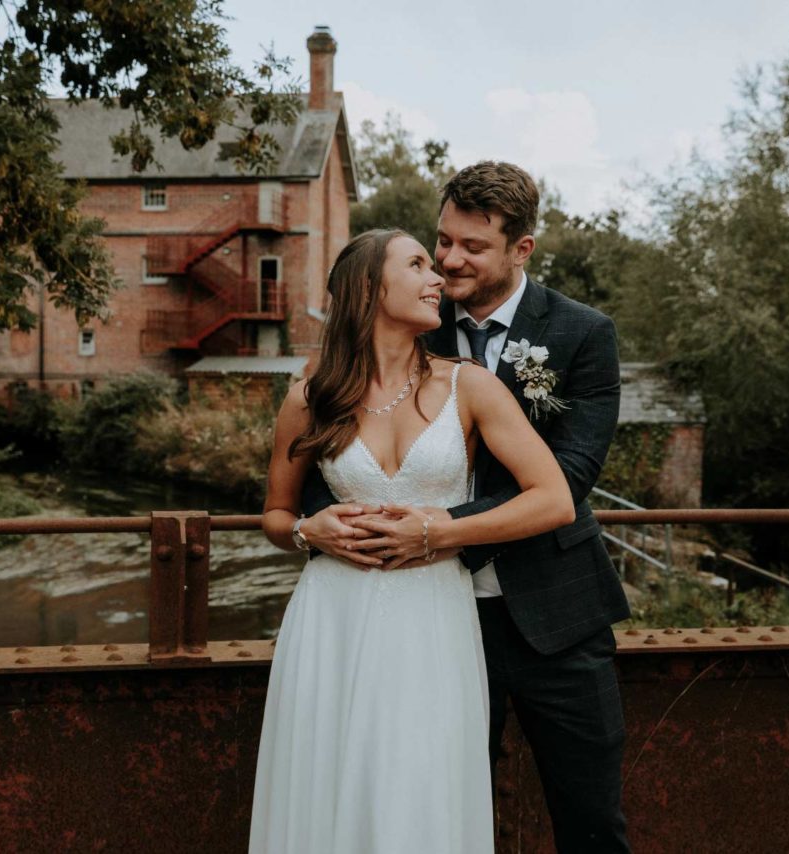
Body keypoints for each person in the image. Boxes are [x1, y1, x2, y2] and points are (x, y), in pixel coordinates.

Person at [299, 162, 631, 853]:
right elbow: (331, 460)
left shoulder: (582, 335)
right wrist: (317, 526)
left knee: (592, 822)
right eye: (442, 240)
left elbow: (567, 481)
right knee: (428, 816)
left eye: (472, 247)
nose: (448, 260)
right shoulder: (408, 319)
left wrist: (439, 532)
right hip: (426, 624)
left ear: (522, 250)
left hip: (557, 619)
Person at [250, 227, 575, 853]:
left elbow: (553, 499)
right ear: (371, 287)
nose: (439, 278)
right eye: (419, 264)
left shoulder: (469, 386)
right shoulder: (308, 400)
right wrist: (304, 532)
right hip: (331, 620)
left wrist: (439, 530)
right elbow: (274, 514)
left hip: (431, 618)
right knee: (326, 784)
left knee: (419, 784)